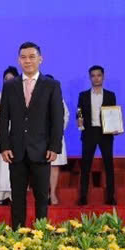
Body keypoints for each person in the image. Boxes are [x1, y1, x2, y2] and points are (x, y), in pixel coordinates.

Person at [0, 42, 64, 228]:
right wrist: (4, 146)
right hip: (16, 151)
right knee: (17, 197)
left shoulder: (52, 85)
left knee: (42, 197)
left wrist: (54, 147)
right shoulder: (10, 86)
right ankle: (18, 234)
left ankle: (41, 235)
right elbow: (3, 118)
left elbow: (57, 119)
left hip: (42, 150)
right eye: (23, 57)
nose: (27, 61)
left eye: (32, 57)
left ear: (40, 59)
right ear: (19, 60)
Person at [77, 65, 118, 205]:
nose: (96, 78)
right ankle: (83, 196)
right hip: (89, 133)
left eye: (98, 75)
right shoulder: (83, 95)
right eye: (93, 75)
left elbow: (113, 113)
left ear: (103, 77)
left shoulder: (110, 95)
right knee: (85, 166)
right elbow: (79, 111)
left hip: (105, 133)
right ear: (90, 78)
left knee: (109, 165)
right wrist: (79, 121)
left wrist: (115, 127)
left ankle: (111, 197)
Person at [0, 66, 18, 205]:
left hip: (16, 135)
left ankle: (13, 194)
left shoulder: (23, 96)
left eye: (11, 79)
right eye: (6, 79)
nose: (8, 82)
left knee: (13, 164)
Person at [45, 74, 69, 205]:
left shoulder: (59, 99)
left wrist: (56, 131)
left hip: (56, 137)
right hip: (40, 138)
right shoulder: (35, 98)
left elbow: (65, 116)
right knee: (41, 166)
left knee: (54, 166)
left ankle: (53, 193)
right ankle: (44, 193)